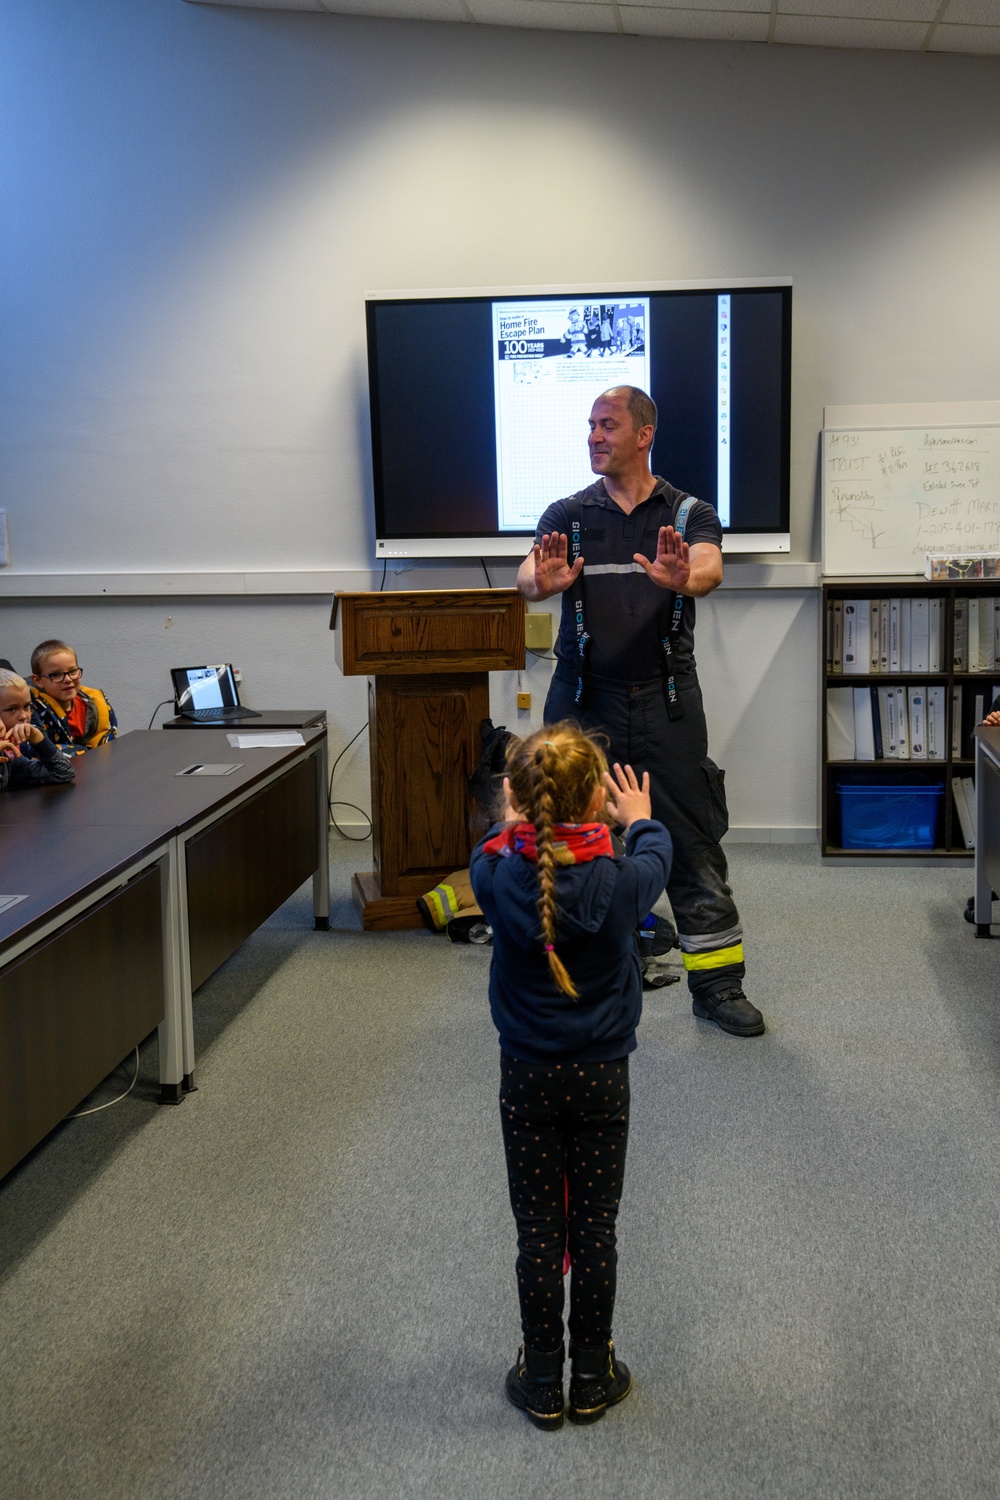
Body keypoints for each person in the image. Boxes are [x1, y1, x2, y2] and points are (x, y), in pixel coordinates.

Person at [516, 384, 765, 1039]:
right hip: (582, 705)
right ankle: (581, 979)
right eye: (590, 426)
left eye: (608, 425)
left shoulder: (688, 513)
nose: (594, 436)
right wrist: (540, 582)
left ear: (643, 433)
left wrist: (687, 577)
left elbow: (709, 566)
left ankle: (717, 988)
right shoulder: (567, 513)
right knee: (571, 845)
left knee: (692, 846)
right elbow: (524, 577)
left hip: (666, 706)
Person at [470, 723, 672, 1430]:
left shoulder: (494, 875)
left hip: (525, 1075)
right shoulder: (620, 883)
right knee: (595, 1228)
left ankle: (541, 1377)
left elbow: (486, 849)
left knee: (536, 1232)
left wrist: (512, 820)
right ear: (595, 801)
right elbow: (658, 853)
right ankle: (592, 1374)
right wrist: (636, 818)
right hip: (601, 1078)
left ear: (515, 799)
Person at [29, 639, 117, 750]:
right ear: (38, 681)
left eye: (72, 671)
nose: (68, 679)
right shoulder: (30, 711)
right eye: (56, 674)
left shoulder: (97, 704)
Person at [0, 668, 76, 789]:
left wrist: (37, 738)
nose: (24, 716)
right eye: (11, 709)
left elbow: (64, 772)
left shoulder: (10, 758)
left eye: (26, 707)